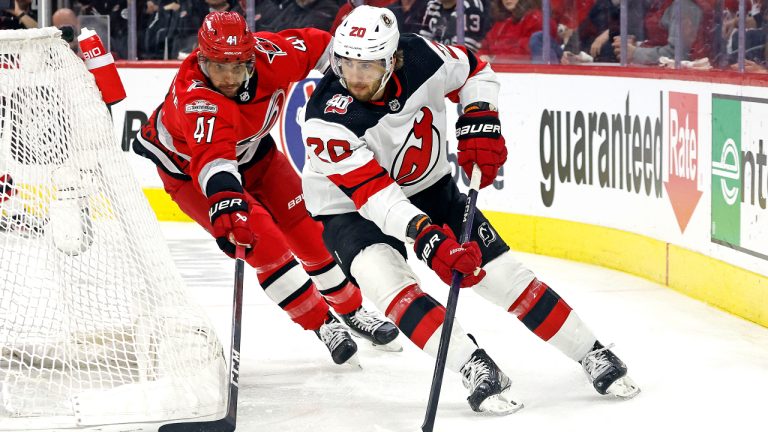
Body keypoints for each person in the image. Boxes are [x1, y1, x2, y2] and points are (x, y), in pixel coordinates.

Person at [301, 5, 640, 413]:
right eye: (346, 64)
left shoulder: (424, 57)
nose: (354, 77)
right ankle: (473, 365)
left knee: (502, 275)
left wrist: (481, 118)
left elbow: (477, 70)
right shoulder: (325, 118)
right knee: (386, 283)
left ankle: (592, 350)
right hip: (347, 206)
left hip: (429, 188)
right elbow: (375, 196)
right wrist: (426, 238)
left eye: (368, 66)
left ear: (392, 59)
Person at [132, 11, 399, 366]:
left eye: (237, 67)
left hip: (254, 152)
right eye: (217, 67)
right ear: (201, 58)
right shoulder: (196, 98)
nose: (227, 79)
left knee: (308, 229)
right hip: (189, 172)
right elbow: (215, 162)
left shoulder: (276, 54)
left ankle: (351, 309)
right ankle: (322, 323)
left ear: (252, 58)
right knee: (264, 243)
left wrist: (355, 85)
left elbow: (326, 48)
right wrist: (228, 204)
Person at [419, 0, 490, 53]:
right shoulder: (433, 4)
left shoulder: (471, 5)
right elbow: (423, 44)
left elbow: (464, 54)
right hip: (436, 64)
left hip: (458, 68)